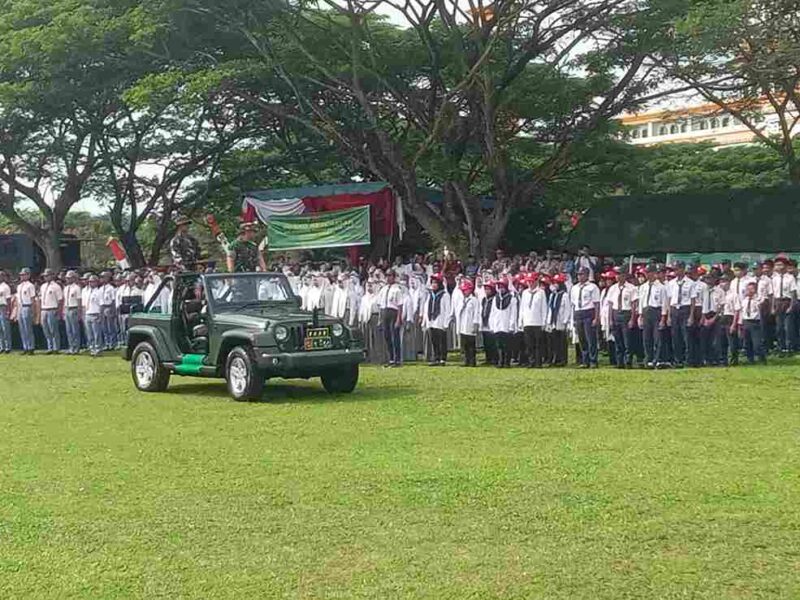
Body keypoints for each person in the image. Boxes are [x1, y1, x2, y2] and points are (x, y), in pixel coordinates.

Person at [666, 261, 696, 369]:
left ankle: (688, 360)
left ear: (683, 269)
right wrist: (669, 315)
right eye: (674, 269)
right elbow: (669, 300)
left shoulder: (690, 283)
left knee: (686, 336)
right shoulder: (671, 283)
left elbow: (693, 300)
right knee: (675, 336)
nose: (675, 271)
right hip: (675, 309)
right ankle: (678, 359)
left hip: (685, 308)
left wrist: (691, 316)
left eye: (677, 269)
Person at [606, 267, 637, 368]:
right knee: (618, 339)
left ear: (625, 275)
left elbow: (633, 304)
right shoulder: (613, 288)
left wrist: (632, 319)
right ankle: (619, 361)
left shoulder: (631, 288)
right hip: (616, 314)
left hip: (626, 313)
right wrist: (610, 319)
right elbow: (610, 305)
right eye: (617, 274)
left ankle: (628, 361)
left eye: (620, 274)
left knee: (627, 340)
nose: (618, 276)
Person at [638, 264, 667, 368]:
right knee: (646, 338)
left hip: (656, 311)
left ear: (655, 273)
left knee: (657, 337)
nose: (648, 274)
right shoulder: (643, 287)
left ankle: (657, 359)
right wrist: (640, 316)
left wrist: (663, 318)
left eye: (650, 272)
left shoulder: (661, 287)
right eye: (647, 272)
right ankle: (648, 358)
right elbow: (641, 302)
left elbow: (664, 303)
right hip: (646, 312)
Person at [570, 267, 600, 368]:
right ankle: (585, 360)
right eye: (578, 274)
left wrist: (596, 317)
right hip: (579, 312)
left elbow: (596, 303)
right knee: (582, 339)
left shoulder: (592, 287)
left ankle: (593, 360)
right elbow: (573, 304)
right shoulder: (574, 288)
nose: (580, 276)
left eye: (582, 274)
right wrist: (573, 318)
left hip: (589, 312)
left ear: (587, 275)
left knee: (590, 338)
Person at [518, 273, 548, 368]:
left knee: (538, 344)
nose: (530, 284)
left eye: (531, 281)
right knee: (529, 344)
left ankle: (538, 362)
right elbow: (522, 308)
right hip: (527, 321)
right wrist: (520, 320)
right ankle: (531, 361)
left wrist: (544, 322)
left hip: (537, 321)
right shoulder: (525, 293)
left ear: (536, 281)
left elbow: (544, 308)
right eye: (528, 282)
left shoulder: (541, 292)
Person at [421, 273, 451, 366]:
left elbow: (447, 309)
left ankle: (442, 358)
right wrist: (425, 321)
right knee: (434, 340)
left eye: (435, 283)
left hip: (440, 320)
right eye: (432, 283)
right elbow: (426, 307)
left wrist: (446, 322)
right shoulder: (430, 295)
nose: (433, 285)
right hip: (431, 320)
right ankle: (436, 357)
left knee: (441, 339)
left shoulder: (444, 295)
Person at [378, 270, 404, 367]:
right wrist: (380, 318)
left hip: (393, 312)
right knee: (387, 336)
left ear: (394, 277)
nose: (388, 278)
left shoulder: (397, 289)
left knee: (395, 336)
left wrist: (399, 319)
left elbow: (400, 305)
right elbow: (380, 305)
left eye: (390, 276)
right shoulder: (384, 289)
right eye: (387, 276)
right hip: (385, 312)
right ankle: (391, 358)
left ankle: (397, 359)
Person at [771, 256, 796, 356]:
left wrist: (791, 306)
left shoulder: (790, 278)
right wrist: (773, 307)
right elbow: (773, 294)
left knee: (788, 327)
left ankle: (789, 347)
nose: (778, 267)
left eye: (780, 264)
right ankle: (781, 347)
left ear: (785, 266)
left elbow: (793, 293)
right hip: (778, 302)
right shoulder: (775, 278)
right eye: (777, 265)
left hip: (787, 301)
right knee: (779, 327)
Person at [489, 278, 516, 368]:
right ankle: (500, 361)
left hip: (506, 325)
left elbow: (513, 313)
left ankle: (506, 362)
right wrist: (492, 325)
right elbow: (492, 312)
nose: (501, 289)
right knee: (499, 345)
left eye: (502, 287)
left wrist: (512, 325)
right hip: (497, 325)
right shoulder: (495, 298)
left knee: (507, 345)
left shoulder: (511, 299)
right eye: (499, 287)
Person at [545, 273, 570, 367]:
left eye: (556, 283)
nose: (554, 285)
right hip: (552, 321)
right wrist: (548, 320)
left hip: (560, 320)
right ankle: (554, 358)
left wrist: (565, 320)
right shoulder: (552, 295)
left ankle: (562, 360)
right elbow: (550, 308)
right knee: (553, 342)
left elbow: (567, 308)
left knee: (561, 342)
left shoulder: (564, 295)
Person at [455, 278, 480, 366]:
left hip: (470, 324)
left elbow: (476, 312)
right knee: (465, 345)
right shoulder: (462, 300)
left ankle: (472, 361)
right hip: (463, 325)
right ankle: (466, 360)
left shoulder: (474, 300)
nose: (464, 292)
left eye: (465, 290)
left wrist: (476, 323)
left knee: (471, 345)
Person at [740, 281, 766, 364]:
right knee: (747, 342)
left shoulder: (758, 299)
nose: (749, 291)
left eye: (752, 289)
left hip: (755, 322)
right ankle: (750, 359)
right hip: (746, 321)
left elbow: (761, 305)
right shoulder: (744, 300)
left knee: (757, 343)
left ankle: (762, 358)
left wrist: (756, 299)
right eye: (748, 289)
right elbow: (742, 311)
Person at [39, 268, 64, 354]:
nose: (46, 277)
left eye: (47, 276)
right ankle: (50, 347)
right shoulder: (43, 286)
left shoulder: (56, 286)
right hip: (44, 309)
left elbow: (60, 300)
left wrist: (59, 311)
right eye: (45, 276)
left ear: (52, 276)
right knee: (46, 329)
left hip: (52, 308)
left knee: (54, 329)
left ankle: (56, 347)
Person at [14, 268, 37, 354]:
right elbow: (18, 300)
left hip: (27, 306)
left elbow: (32, 299)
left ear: (28, 275)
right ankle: (25, 346)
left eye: (23, 275)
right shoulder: (19, 286)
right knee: (22, 328)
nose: (21, 276)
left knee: (28, 328)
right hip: (21, 306)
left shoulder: (30, 285)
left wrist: (33, 311)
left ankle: (31, 347)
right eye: (21, 275)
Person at [83, 274, 104, 357]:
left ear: (96, 282)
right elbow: (84, 304)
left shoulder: (99, 292)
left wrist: (100, 316)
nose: (91, 283)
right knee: (89, 333)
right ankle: (92, 348)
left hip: (95, 314)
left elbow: (101, 305)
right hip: (88, 313)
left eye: (93, 281)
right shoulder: (86, 291)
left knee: (96, 333)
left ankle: (98, 349)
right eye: (90, 281)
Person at [63, 270, 83, 355]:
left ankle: (76, 347)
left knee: (75, 330)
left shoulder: (77, 288)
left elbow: (79, 301)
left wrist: (79, 312)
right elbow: (65, 300)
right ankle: (71, 347)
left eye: (70, 278)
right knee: (69, 330)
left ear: (73, 278)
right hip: (67, 308)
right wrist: (64, 311)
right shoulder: (66, 288)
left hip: (74, 308)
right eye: (67, 278)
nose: (68, 280)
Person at [479, 280, 498, 366]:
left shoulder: (494, 299)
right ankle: (488, 358)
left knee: (493, 342)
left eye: (488, 289)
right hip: (484, 322)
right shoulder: (484, 299)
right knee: (486, 342)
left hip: (492, 323)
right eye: (485, 289)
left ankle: (495, 359)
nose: (486, 291)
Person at [0, 270, 12, 353]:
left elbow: (8, 300)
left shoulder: (5, 287)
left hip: (3, 307)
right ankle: (1, 347)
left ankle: (8, 347)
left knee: (5, 328)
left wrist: (8, 310)